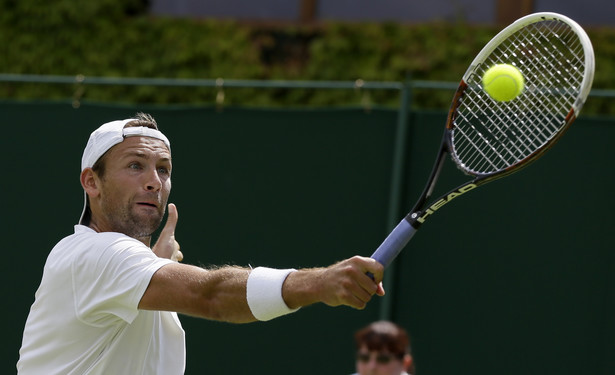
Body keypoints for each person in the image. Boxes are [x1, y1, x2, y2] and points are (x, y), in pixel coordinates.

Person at [17, 113, 385, 375]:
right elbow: (209, 295)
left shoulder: (114, 266)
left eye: (163, 169)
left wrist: (153, 263)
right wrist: (319, 283)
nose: (154, 182)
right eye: (135, 166)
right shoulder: (95, 254)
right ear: (91, 182)